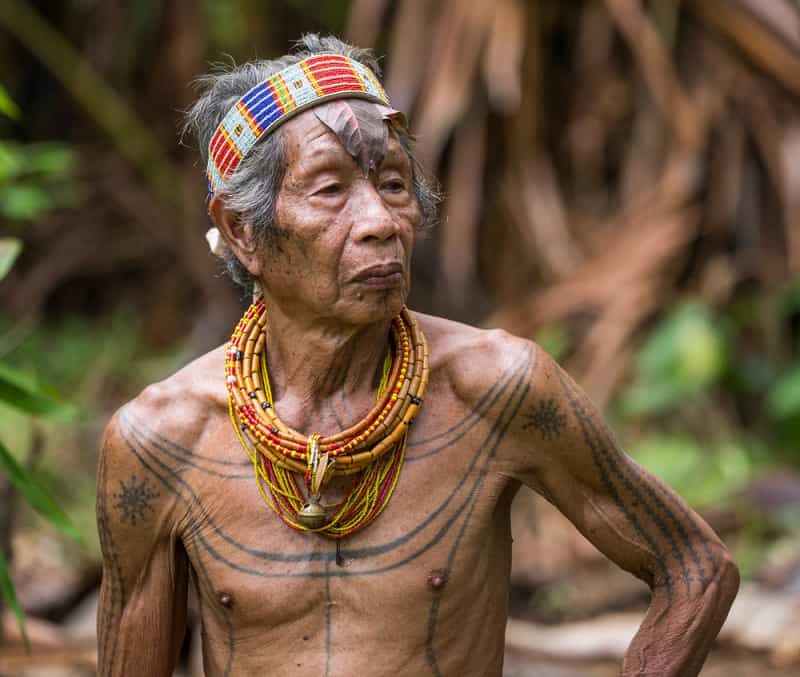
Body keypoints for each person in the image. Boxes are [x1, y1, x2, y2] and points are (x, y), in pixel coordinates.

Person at [96, 34, 739, 677]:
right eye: (329, 190)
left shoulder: (498, 390)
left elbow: (696, 570)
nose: (380, 220)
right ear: (242, 232)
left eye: (394, 183)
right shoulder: (160, 442)